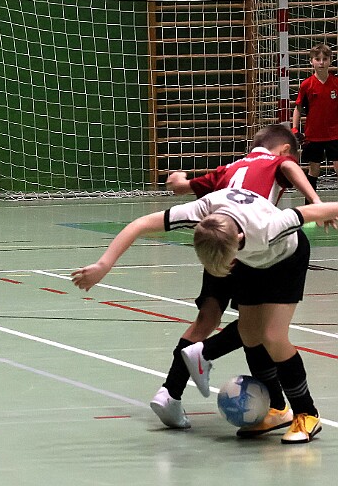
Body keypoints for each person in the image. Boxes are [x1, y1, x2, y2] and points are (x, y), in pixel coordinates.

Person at [71, 188, 338, 444]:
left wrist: (327, 212)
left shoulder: (270, 227)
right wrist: (103, 265)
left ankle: (307, 413)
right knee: (249, 334)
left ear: (239, 242)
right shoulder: (200, 212)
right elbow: (139, 224)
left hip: (286, 258)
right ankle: (277, 410)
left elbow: (310, 212)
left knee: (272, 336)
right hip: (250, 261)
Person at [151, 124, 320, 433]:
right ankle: (208, 355)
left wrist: (179, 180)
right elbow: (287, 166)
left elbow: (183, 188)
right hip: (247, 245)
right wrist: (313, 198)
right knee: (261, 331)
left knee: (218, 321)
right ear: (285, 150)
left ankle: (170, 391)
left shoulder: (228, 169)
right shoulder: (276, 162)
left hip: (215, 243)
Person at [291, 43, 338, 199]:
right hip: (314, 135)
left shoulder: (336, 83)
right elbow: (298, 108)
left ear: (331, 60)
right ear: (311, 61)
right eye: (317, 59)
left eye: (325, 59)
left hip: (335, 134)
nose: (321, 62)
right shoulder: (307, 85)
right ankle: (310, 204)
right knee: (314, 170)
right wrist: (294, 128)